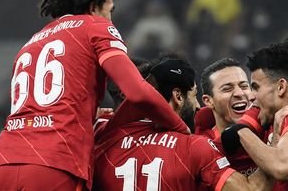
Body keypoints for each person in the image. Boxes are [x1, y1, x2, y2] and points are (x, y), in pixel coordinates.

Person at [0, 0, 188, 191]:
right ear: (93, 8)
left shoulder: (30, 43)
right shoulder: (95, 26)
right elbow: (137, 92)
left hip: (4, 165)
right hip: (53, 164)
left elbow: (40, 108)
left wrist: (87, 111)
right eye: (109, 10)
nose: (111, 19)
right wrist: (179, 126)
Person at [93, 54, 273, 190]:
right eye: (194, 96)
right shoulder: (194, 147)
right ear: (178, 96)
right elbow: (251, 189)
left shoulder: (102, 131)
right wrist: (277, 143)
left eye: (244, 86)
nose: (197, 106)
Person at [225, 42, 288, 191]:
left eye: (256, 87)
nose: (251, 96)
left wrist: (241, 131)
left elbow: (282, 167)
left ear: (281, 87)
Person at [199, 58, 258, 176]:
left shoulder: (271, 129)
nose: (239, 93)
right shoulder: (201, 147)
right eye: (227, 89)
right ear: (208, 101)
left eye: (244, 86)